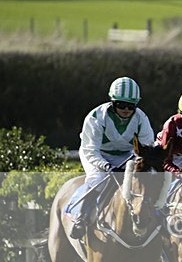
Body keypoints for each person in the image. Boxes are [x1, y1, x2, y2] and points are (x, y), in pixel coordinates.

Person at [65, 77, 155, 239]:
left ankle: (158, 217)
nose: (126, 109)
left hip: (127, 156)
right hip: (98, 155)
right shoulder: (96, 117)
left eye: (131, 106)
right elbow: (90, 150)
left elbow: (146, 149)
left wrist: (134, 163)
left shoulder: (142, 119)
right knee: (98, 180)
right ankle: (81, 218)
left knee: (145, 180)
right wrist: (106, 166)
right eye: (121, 104)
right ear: (112, 102)